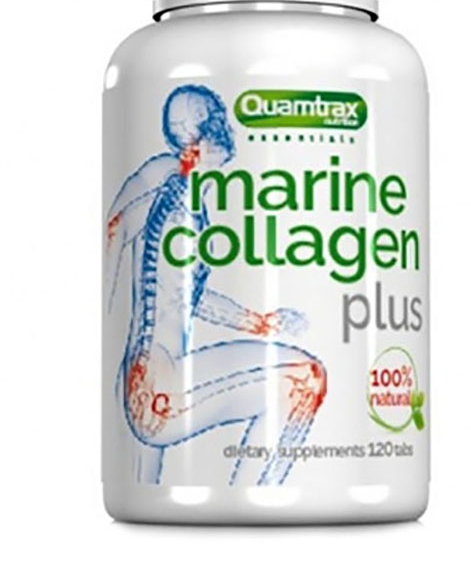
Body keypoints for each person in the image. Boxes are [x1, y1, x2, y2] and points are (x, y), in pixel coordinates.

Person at [105, 85, 327, 485]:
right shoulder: (168, 178)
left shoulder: (185, 195)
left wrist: (258, 322)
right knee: (305, 380)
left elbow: (185, 292)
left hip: (141, 381)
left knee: (145, 496)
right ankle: (255, 502)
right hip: (160, 386)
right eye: (216, 118)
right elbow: (114, 229)